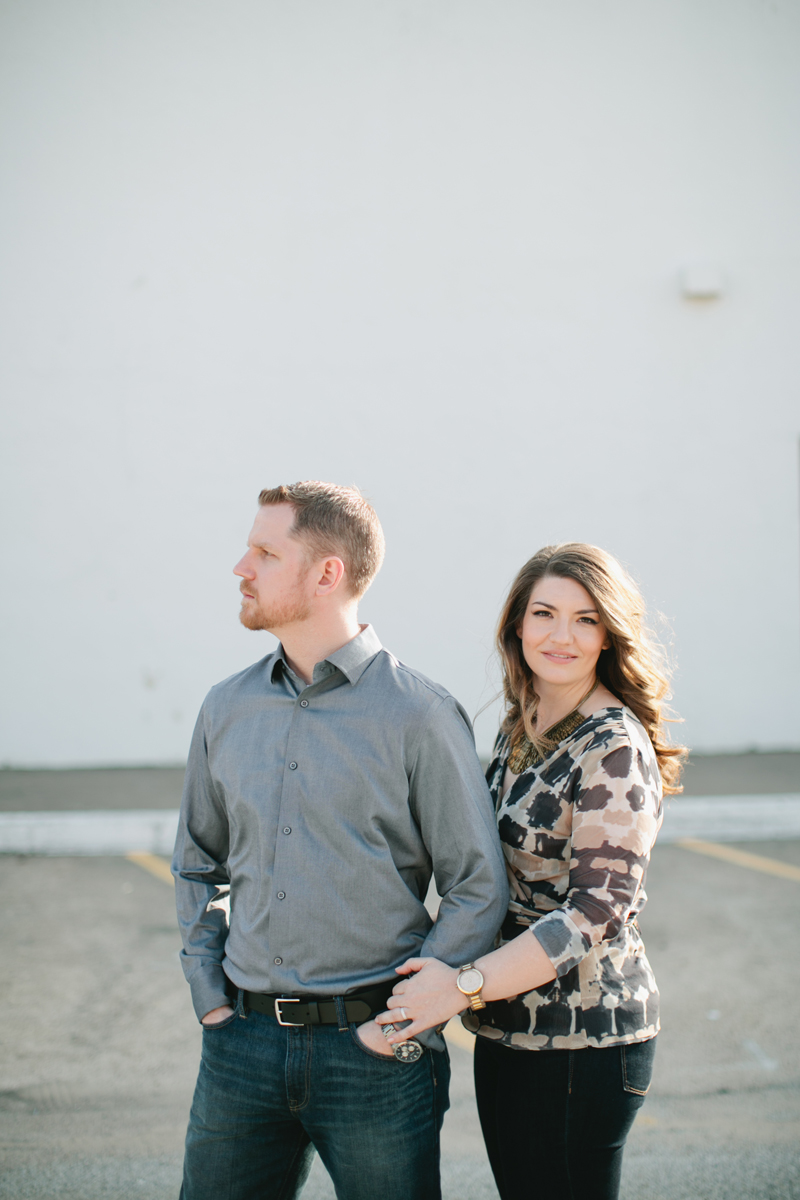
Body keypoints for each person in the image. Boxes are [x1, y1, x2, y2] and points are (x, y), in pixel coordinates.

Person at [172, 480, 508, 1200]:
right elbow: (198, 861)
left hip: (377, 1055)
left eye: (265, 551)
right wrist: (210, 996)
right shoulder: (226, 707)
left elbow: (478, 883)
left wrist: (402, 1020)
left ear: (327, 574)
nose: (241, 567)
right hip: (241, 1046)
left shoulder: (419, 714)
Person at [378, 543, 686, 1200]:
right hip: (509, 1026)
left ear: (608, 635)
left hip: (584, 1043)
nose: (560, 636)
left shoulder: (612, 745)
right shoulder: (524, 723)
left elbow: (597, 911)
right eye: (544, 613)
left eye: (584, 619)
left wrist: (460, 985)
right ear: (517, 625)